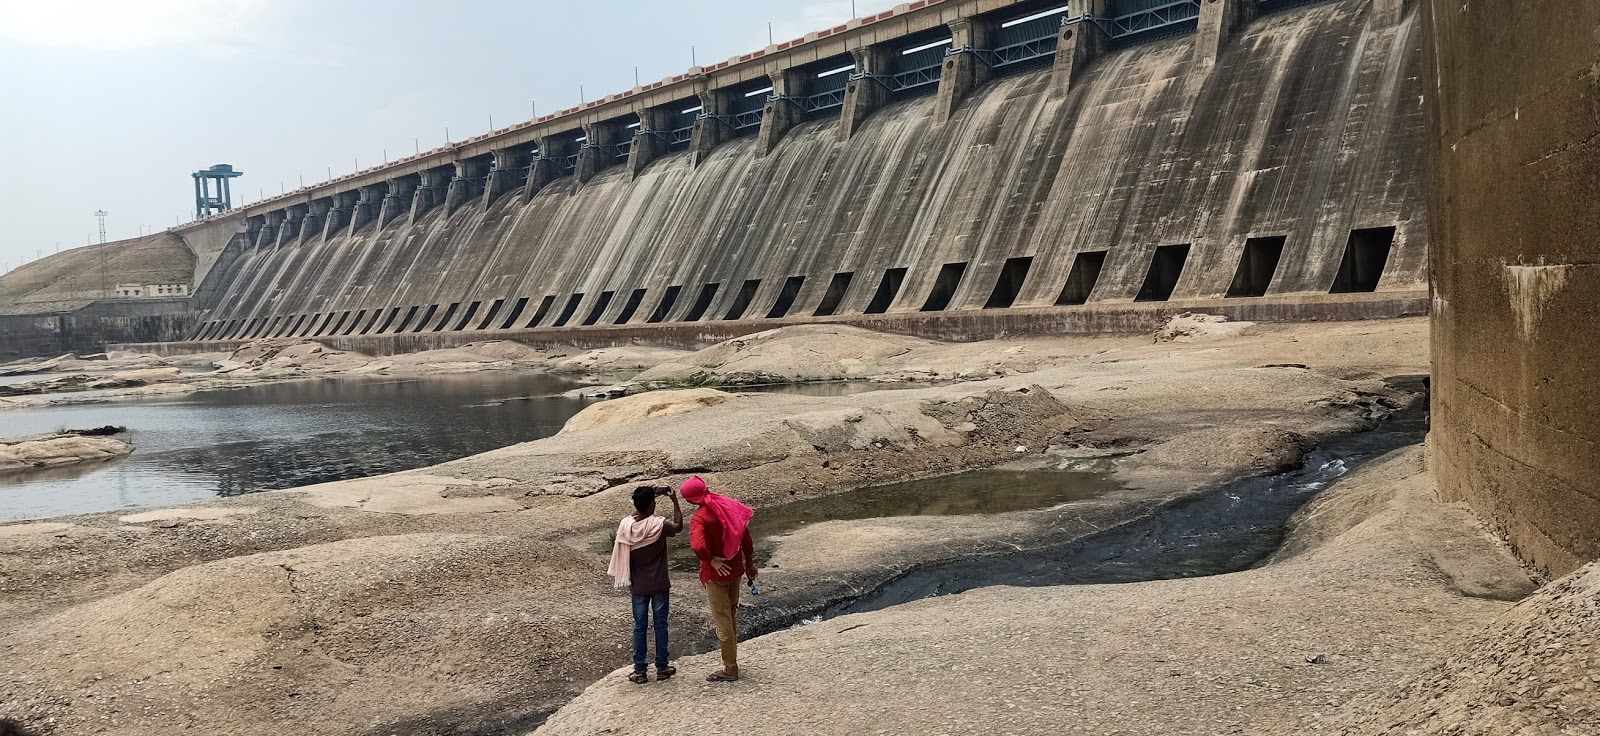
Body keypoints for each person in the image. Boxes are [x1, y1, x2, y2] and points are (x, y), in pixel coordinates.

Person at [680, 475, 756, 682]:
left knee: (723, 622)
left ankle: (730, 668)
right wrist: (750, 564)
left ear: (689, 500)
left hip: (716, 575)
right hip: (736, 571)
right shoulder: (728, 506)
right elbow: (746, 538)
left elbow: (697, 545)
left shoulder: (700, 517)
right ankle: (732, 659)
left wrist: (710, 560)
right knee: (731, 616)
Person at [608, 484, 683, 684]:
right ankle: (662, 667)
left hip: (638, 587)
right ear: (652, 504)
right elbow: (678, 527)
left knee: (640, 627)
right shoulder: (660, 525)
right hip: (659, 584)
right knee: (661, 625)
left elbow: (637, 513)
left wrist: (648, 497)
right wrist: (675, 502)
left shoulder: (626, 526)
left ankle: (640, 671)